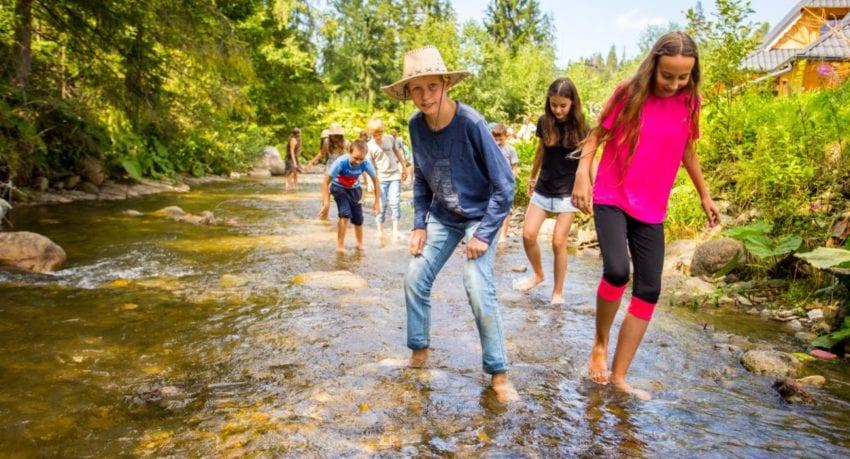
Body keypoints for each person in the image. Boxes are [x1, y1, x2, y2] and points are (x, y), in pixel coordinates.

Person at [571, 32, 720, 400]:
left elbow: (687, 149)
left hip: (652, 206)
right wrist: (581, 176)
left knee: (650, 289)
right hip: (612, 193)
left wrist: (705, 194)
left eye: (682, 77)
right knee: (618, 270)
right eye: (667, 75)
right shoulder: (629, 92)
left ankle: (619, 376)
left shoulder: (690, 102)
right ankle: (600, 345)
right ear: (654, 64)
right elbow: (594, 137)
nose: (673, 84)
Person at [381, 45, 518, 403]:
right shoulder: (414, 126)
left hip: (480, 216)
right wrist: (418, 225)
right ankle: (419, 354)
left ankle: (499, 374)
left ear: (445, 84)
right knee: (414, 276)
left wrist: (486, 234)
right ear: (408, 93)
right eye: (416, 89)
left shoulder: (471, 122)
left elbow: (506, 185)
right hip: (442, 216)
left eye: (432, 87)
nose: (425, 96)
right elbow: (423, 179)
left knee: (476, 284)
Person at [514, 78, 589, 305]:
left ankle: (557, 293)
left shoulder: (582, 127)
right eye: (554, 104)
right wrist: (532, 176)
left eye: (562, 105)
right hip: (544, 187)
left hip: (568, 193)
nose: (557, 110)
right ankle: (538, 275)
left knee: (558, 242)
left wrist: (590, 191)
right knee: (528, 235)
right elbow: (540, 151)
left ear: (572, 103)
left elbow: (588, 160)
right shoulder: (544, 122)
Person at [319, 139, 381, 253]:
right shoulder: (340, 162)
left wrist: (377, 202)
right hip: (338, 188)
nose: (358, 162)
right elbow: (325, 182)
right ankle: (340, 245)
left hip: (354, 189)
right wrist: (326, 203)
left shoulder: (366, 163)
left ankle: (359, 244)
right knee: (345, 214)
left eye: (361, 159)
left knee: (358, 218)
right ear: (349, 152)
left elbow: (376, 181)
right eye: (355, 158)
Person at [367, 117, 410, 238]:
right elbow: (368, 166)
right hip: (380, 178)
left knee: (395, 202)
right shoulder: (369, 146)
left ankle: (395, 230)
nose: (378, 136)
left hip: (394, 175)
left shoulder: (390, 139)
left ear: (383, 130)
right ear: (371, 133)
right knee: (382, 204)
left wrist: (404, 167)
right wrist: (370, 181)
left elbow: (397, 153)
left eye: (380, 133)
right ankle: (380, 231)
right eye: (375, 134)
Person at [491, 123, 519, 244]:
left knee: (506, 209)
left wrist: (511, 179)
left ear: (506, 137)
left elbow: (515, 167)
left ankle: (503, 235)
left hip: (507, 182)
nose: (498, 142)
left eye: (500, 139)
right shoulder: (491, 148)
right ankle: (493, 232)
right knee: (492, 207)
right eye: (495, 139)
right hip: (493, 182)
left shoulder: (510, 150)